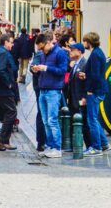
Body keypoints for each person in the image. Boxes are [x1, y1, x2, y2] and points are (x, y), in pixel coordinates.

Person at [29, 30, 66, 158]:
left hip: (53, 91)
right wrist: (36, 69)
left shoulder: (60, 53)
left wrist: (46, 68)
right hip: (43, 90)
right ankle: (50, 146)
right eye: (40, 49)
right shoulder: (44, 54)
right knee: (45, 120)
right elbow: (42, 69)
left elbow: (62, 71)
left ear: (49, 43)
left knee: (52, 120)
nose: (42, 51)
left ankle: (57, 148)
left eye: (43, 48)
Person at [80, 31, 111, 155]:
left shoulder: (95, 55)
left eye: (85, 41)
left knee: (91, 119)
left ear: (89, 42)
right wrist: (86, 75)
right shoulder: (97, 53)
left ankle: (96, 147)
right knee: (94, 119)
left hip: (95, 91)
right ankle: (104, 143)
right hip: (97, 89)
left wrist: (90, 90)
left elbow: (96, 76)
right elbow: (94, 74)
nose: (84, 44)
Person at [67, 42, 94, 151]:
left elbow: (86, 83)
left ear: (79, 51)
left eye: (72, 50)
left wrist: (84, 97)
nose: (70, 52)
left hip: (80, 99)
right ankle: (74, 146)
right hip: (73, 99)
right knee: (75, 122)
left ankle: (89, 145)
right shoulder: (75, 64)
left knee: (83, 123)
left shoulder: (85, 64)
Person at [29, 34, 48, 153]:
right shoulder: (41, 54)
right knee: (42, 113)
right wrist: (34, 68)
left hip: (46, 86)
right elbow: (32, 67)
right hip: (40, 87)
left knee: (44, 114)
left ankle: (43, 141)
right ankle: (41, 142)